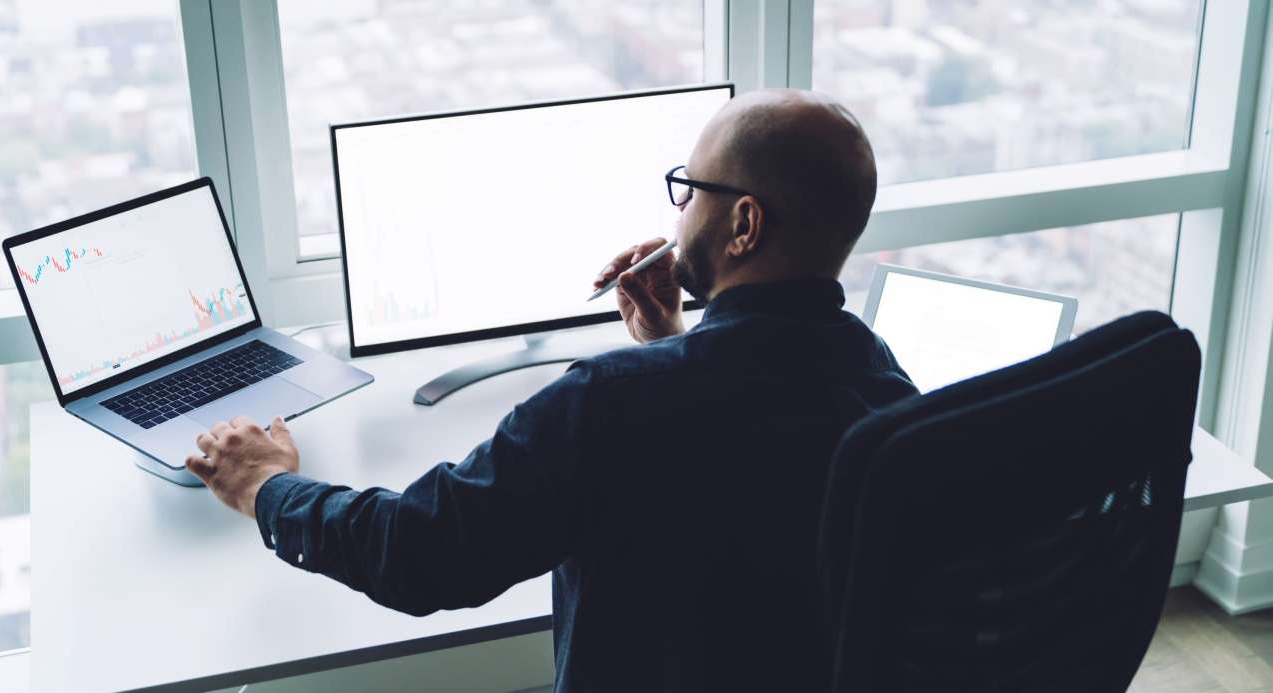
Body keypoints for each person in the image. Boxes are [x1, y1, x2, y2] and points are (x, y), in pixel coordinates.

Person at [186, 89, 917, 692]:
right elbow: (748, 461)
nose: (677, 214)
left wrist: (267, 487)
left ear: (744, 224)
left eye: (690, 191)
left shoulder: (610, 400)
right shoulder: (886, 390)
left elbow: (418, 551)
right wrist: (674, 344)